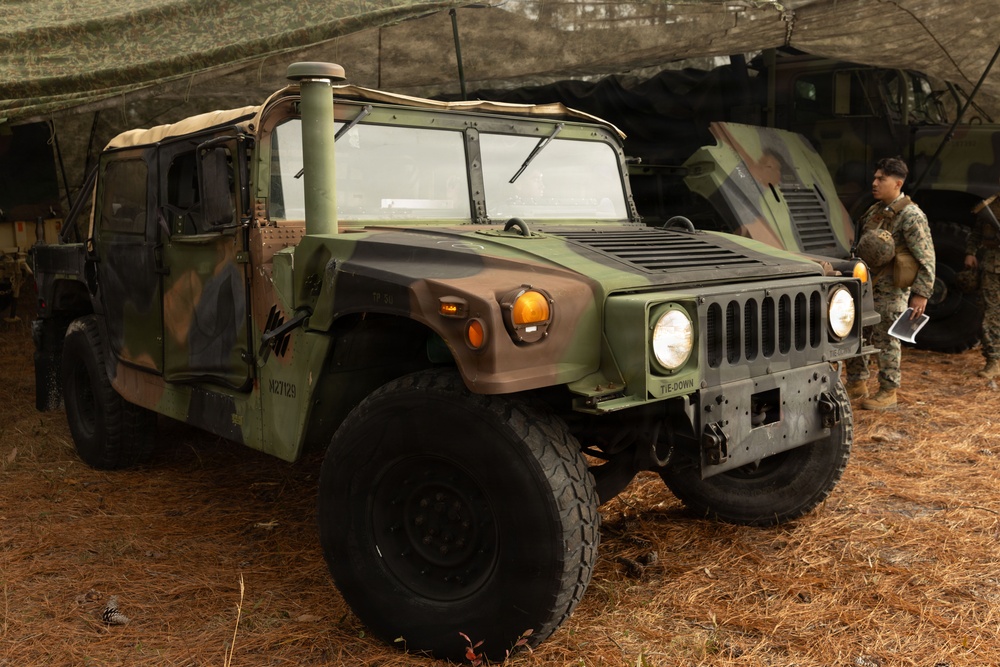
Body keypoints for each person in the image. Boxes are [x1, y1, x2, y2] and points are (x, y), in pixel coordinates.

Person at [845, 157, 936, 410]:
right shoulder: (874, 211)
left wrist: (921, 294)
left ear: (897, 183)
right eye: (875, 178)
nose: (874, 183)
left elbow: (926, 257)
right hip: (866, 285)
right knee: (858, 333)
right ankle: (857, 382)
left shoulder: (911, 215)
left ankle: (888, 391)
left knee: (887, 338)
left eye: (881, 179)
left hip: (892, 288)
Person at [965, 185, 1000, 378]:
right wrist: (970, 252)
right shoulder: (990, 207)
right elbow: (976, 234)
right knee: (991, 315)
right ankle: (993, 361)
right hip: (992, 268)